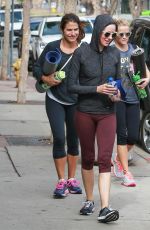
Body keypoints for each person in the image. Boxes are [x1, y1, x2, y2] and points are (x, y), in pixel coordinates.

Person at [68, 14, 121, 223]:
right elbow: (71, 86)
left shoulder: (114, 54)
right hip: (85, 112)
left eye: (113, 34)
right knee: (88, 157)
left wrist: (116, 94)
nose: (110, 37)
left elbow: (119, 85)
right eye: (107, 33)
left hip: (108, 113)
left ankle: (105, 207)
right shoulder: (81, 53)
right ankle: (89, 200)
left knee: (105, 158)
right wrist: (96, 89)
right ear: (98, 30)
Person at [33, 13, 84, 198]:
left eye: (75, 29)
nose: (72, 33)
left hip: (77, 102)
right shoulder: (53, 47)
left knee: (73, 140)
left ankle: (72, 180)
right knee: (59, 138)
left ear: (79, 30)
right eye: (69, 29)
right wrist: (45, 78)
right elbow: (37, 68)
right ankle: (61, 181)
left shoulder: (84, 49)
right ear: (62, 30)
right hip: (55, 99)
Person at [112, 19, 150, 187]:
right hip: (118, 98)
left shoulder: (134, 50)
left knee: (133, 137)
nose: (125, 37)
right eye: (122, 34)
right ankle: (126, 174)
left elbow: (146, 72)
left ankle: (118, 158)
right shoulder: (111, 52)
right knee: (121, 135)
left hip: (134, 97)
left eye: (128, 34)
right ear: (115, 35)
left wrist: (146, 80)